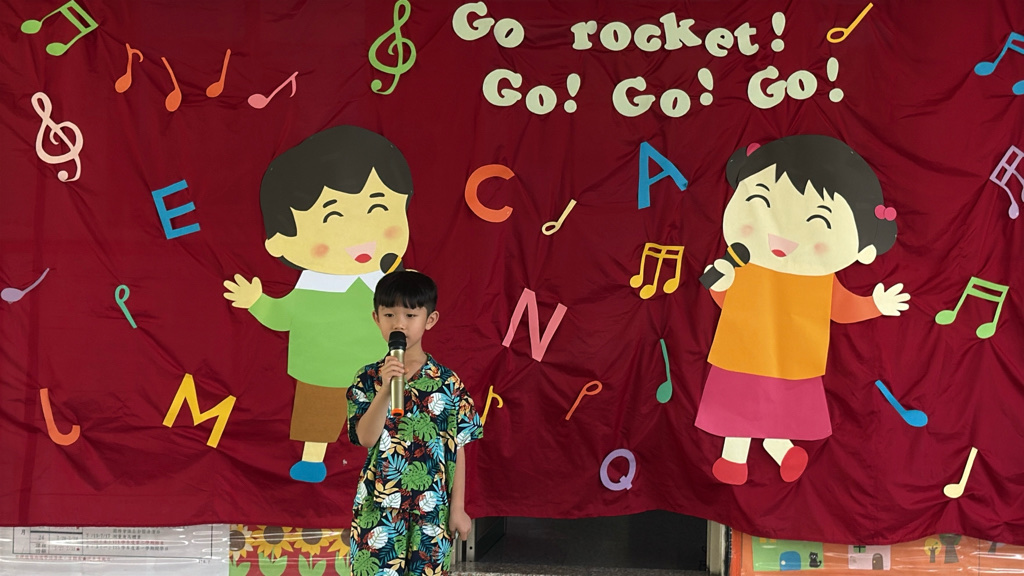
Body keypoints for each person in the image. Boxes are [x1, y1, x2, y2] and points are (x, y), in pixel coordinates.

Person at [696, 135, 910, 485]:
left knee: (773, 407)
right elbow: (728, 302)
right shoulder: (745, 265)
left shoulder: (819, 276)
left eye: (820, 220)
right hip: (743, 349)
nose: (784, 238)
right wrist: (720, 282)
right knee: (740, 403)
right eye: (762, 202)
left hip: (789, 355)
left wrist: (875, 305)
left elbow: (840, 307)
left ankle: (770, 449)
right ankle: (752, 454)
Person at [223, 125, 412, 483]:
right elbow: (282, 316)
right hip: (320, 371)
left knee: (380, 412)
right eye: (333, 217)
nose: (360, 236)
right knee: (318, 416)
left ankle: (383, 456)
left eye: (378, 209)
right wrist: (256, 301)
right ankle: (313, 459)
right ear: (280, 242)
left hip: (378, 369)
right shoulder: (312, 286)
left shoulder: (387, 285)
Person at [347, 270, 483, 576]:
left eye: (410, 315)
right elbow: (365, 438)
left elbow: (457, 447)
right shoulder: (367, 378)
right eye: (389, 314)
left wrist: (458, 508)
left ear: (429, 320)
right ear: (376, 318)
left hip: (432, 511)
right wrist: (385, 390)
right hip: (377, 510)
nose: (399, 324)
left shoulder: (448, 382)